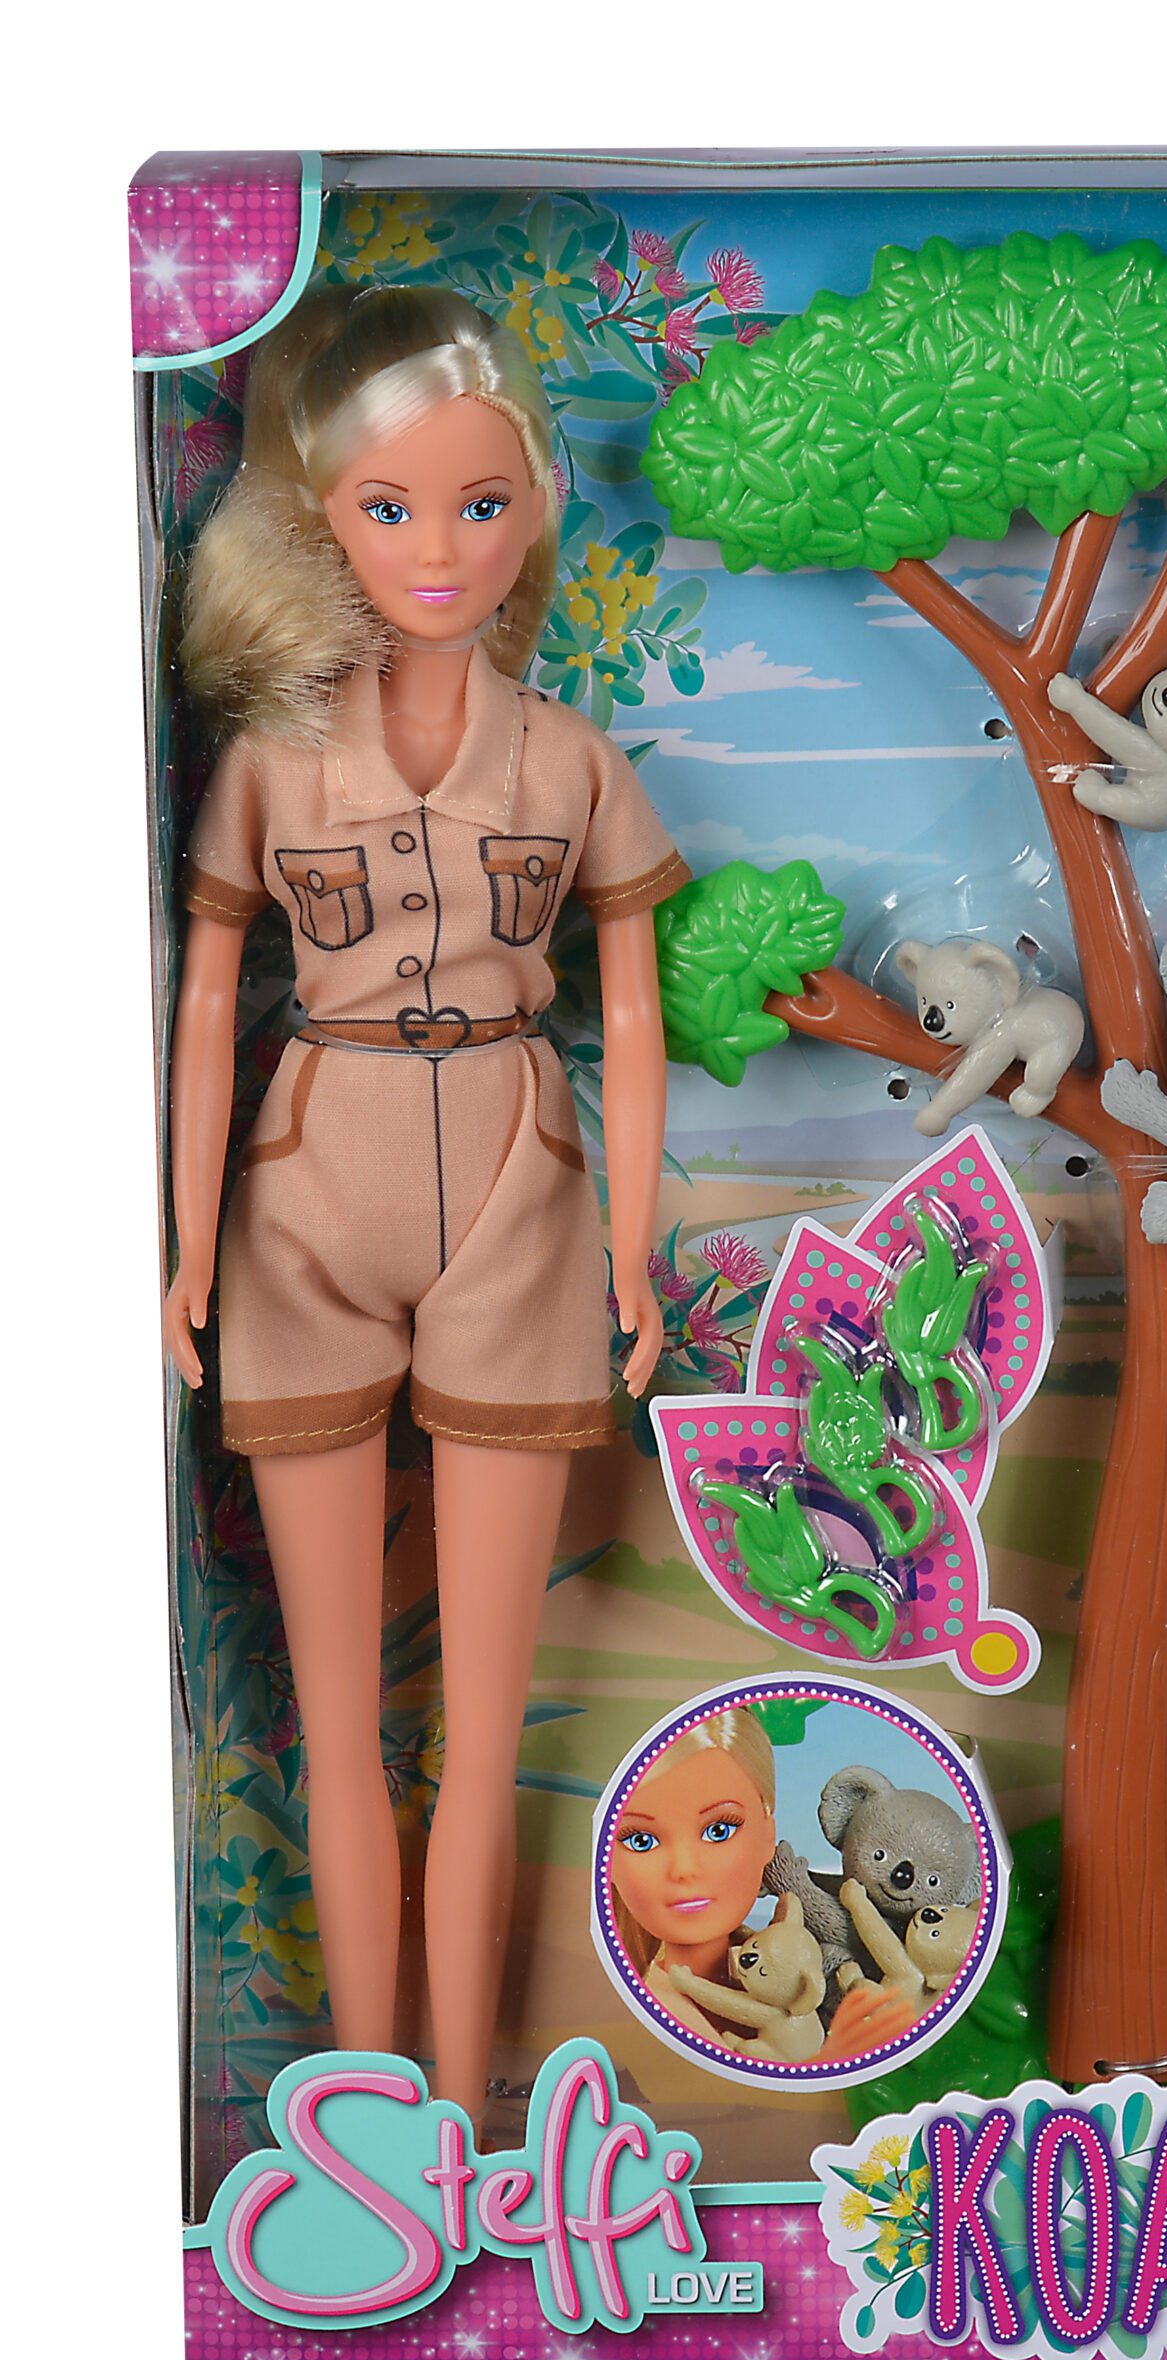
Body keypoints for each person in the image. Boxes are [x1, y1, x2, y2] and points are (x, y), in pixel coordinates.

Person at [163, 284, 684, 2125]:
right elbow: (207, 1002)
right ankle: (360, 2132)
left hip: (522, 1205)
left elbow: (634, 1011)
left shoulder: (570, 760)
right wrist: (182, 1248)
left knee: (480, 1724)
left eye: (478, 501)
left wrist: (631, 1249)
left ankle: (463, 2118)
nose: (439, 547)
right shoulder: (274, 758)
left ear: (535, 505)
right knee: (333, 1712)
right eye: (387, 507)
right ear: (320, 523)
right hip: (307, 1199)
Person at [609, 1712, 914, 2062]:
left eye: (719, 1831)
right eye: (641, 1840)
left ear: (768, 1833)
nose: (684, 1870)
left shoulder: (779, 1962)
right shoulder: (651, 2014)